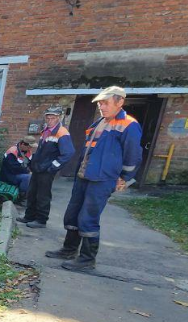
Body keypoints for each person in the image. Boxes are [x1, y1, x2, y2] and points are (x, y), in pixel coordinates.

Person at [46, 86, 142, 272]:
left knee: (88, 218)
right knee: (72, 214)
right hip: (84, 176)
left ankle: (87, 260)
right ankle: (69, 249)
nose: (101, 106)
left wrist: (124, 178)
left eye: (105, 103)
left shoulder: (129, 125)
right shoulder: (99, 122)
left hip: (102, 180)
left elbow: (133, 156)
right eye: (100, 103)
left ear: (120, 102)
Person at [18, 105, 75, 228]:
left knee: (43, 195)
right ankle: (29, 216)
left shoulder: (62, 133)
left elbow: (68, 153)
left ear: (59, 118)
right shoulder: (46, 131)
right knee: (32, 193)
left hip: (47, 171)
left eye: (52, 118)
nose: (49, 120)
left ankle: (41, 220)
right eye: (48, 118)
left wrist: (52, 167)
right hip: (38, 169)